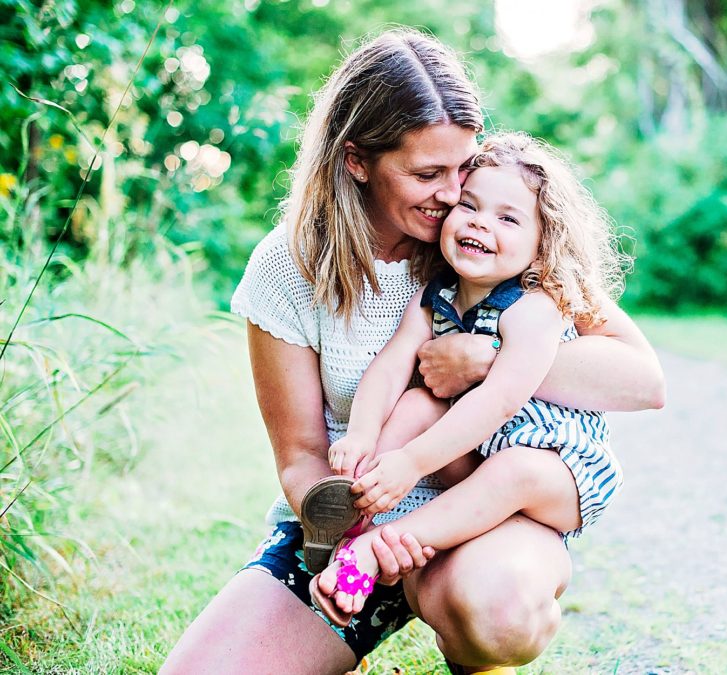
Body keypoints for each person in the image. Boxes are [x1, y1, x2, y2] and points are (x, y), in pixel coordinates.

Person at [160, 28, 664, 675]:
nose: (457, 195)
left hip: (479, 521)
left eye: (465, 166)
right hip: (352, 533)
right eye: (429, 174)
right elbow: (302, 455)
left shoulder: (498, 247)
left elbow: (643, 380)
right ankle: (348, 610)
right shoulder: (287, 266)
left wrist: (480, 358)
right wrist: (353, 532)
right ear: (357, 160)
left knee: (497, 605)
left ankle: (475, 648)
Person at [307, 131, 632, 627]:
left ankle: (379, 547)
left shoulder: (536, 306)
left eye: (508, 218)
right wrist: (362, 436)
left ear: (543, 244)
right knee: (416, 405)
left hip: (559, 471)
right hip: (483, 459)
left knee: (515, 470)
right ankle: (356, 521)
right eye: (470, 206)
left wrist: (410, 463)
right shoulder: (440, 294)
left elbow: (500, 401)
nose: (481, 223)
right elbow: (392, 366)